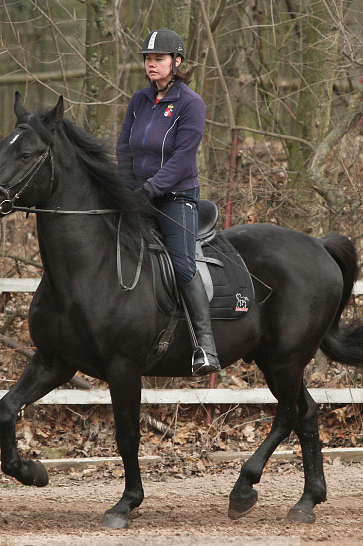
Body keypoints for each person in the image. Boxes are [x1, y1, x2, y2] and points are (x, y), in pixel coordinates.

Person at [116, 28, 220, 376]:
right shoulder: (138, 101)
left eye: (158, 59)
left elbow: (181, 158)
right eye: (148, 59)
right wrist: (129, 189)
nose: (151, 64)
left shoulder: (191, 104)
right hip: (138, 195)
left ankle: (204, 346)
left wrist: (149, 190)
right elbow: (124, 148)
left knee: (182, 265)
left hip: (175, 198)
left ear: (176, 62)